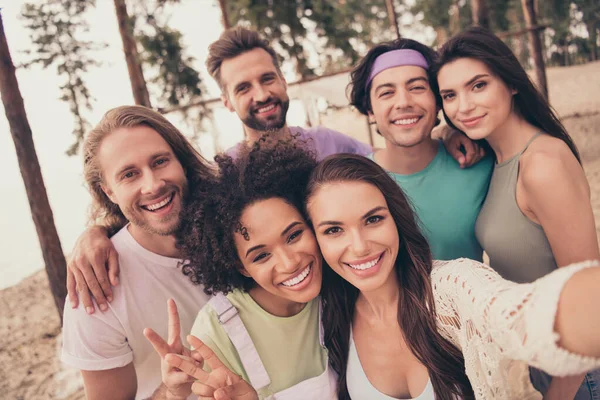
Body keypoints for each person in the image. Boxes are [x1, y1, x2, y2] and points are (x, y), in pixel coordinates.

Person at [305, 153, 600, 400]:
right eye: (333, 230)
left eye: (373, 219)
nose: (359, 247)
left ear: (396, 218)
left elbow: (517, 313)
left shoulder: (453, 287)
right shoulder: (326, 319)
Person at [434, 27, 600, 399]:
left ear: (510, 83)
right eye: (450, 95)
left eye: (478, 86)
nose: (464, 106)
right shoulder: (498, 159)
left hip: (582, 367)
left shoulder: (542, 163)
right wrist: (447, 135)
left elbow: (591, 299)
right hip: (548, 358)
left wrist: (561, 391)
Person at [147, 136, 335, 399]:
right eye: (260, 256)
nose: (289, 263)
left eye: (293, 236)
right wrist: (173, 393)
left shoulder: (341, 280)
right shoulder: (216, 331)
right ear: (241, 267)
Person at [60, 106, 213, 399]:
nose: (152, 185)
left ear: (181, 161)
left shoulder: (235, 225)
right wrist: (172, 392)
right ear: (109, 193)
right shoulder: (96, 290)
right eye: (129, 174)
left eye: (159, 162)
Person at [347, 38, 492, 261]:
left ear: (438, 100)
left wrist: (450, 131)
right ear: (370, 111)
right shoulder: (355, 183)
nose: (403, 102)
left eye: (417, 88)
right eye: (386, 93)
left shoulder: (479, 162)